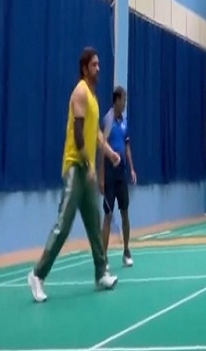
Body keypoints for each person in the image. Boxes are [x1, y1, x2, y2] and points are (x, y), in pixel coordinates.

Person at [28, 47, 122, 303]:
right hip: (75, 168)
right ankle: (37, 275)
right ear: (84, 68)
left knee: (94, 223)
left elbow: (95, 133)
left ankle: (101, 274)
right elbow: (79, 135)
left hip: (87, 170)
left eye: (99, 64)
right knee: (64, 225)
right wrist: (89, 166)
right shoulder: (80, 92)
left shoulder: (93, 97)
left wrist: (110, 153)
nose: (98, 69)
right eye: (94, 65)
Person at [100, 86, 137, 268]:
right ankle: (103, 257)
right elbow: (101, 149)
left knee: (125, 213)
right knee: (108, 215)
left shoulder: (124, 121)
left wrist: (132, 169)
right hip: (109, 175)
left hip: (122, 174)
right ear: (117, 100)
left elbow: (127, 146)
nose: (125, 103)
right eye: (124, 100)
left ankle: (126, 251)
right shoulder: (107, 121)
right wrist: (101, 177)